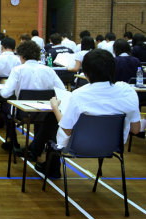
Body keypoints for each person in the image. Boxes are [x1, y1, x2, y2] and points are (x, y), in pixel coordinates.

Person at [48, 49, 141, 177]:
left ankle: (50, 169)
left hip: (79, 147)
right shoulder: (128, 92)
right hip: (112, 147)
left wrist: (55, 108)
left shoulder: (78, 95)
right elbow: (136, 129)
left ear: (86, 74)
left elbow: (67, 130)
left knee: (53, 123)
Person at [0, 41, 65, 160]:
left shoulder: (18, 70)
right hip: (45, 113)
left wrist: (6, 84)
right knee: (44, 119)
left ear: (22, 56)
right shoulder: (49, 70)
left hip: (22, 112)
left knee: (4, 107)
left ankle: (13, 141)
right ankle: (37, 147)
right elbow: (62, 90)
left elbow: (5, 94)